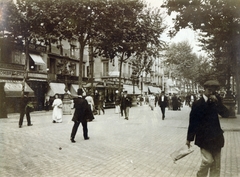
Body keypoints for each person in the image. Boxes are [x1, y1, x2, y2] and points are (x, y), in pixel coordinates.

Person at [186, 80, 229, 177]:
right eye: (209, 90)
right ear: (204, 89)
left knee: (216, 166)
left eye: (213, 91)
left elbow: (226, 114)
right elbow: (193, 122)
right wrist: (189, 139)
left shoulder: (216, 101)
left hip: (216, 138)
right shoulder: (197, 104)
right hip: (204, 139)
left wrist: (218, 103)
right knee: (208, 161)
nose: (211, 93)